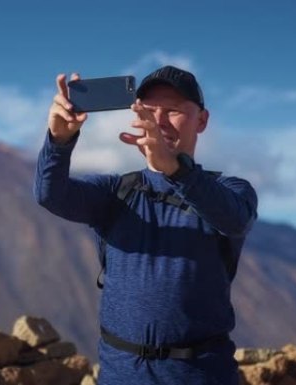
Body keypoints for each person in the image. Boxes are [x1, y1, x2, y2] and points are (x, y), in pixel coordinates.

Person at [33, 65, 258, 385]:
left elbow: (235, 219)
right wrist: (58, 140)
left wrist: (176, 170)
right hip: (122, 375)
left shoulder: (231, 190)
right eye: (149, 110)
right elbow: (49, 194)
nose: (159, 120)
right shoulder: (115, 192)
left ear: (202, 121)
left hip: (202, 375)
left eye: (173, 111)